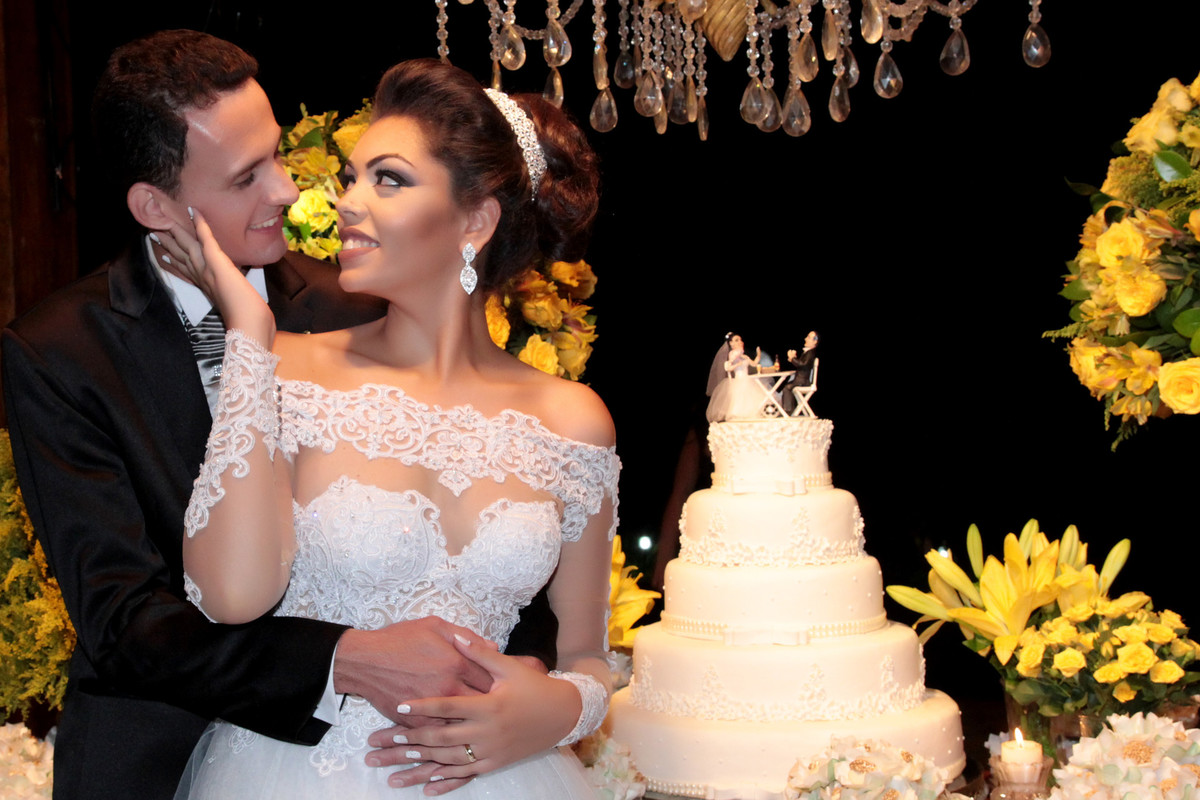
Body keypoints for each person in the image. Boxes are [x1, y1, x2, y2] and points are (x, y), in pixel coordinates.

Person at [1, 31, 556, 800]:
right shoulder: (60, 352)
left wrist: (535, 688)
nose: (289, 190)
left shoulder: (355, 304)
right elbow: (124, 621)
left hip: (391, 760)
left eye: (278, 156)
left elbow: (483, 523)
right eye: (247, 176)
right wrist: (340, 658)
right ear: (155, 205)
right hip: (155, 765)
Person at [162, 58, 617, 798]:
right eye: (351, 178)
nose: (346, 202)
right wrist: (246, 334)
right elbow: (230, 597)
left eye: (389, 180)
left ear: (475, 221)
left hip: (501, 779)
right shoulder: (285, 368)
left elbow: (590, 656)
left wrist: (558, 711)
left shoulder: (574, 420)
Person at [706, 333, 765, 422]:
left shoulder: (744, 356)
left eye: (740, 340)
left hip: (747, 379)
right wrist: (737, 363)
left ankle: (749, 415)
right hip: (739, 380)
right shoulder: (733, 354)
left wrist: (758, 355)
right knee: (740, 397)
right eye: (737, 340)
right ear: (731, 343)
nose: (740, 342)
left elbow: (753, 364)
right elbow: (728, 367)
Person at [780, 330, 820, 415]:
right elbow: (801, 364)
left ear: (815, 341)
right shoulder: (807, 352)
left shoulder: (810, 353)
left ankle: (788, 411)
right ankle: (790, 410)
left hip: (802, 381)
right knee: (787, 386)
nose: (805, 339)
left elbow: (803, 364)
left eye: (808, 337)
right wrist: (793, 359)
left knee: (787, 388)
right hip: (800, 380)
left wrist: (792, 358)